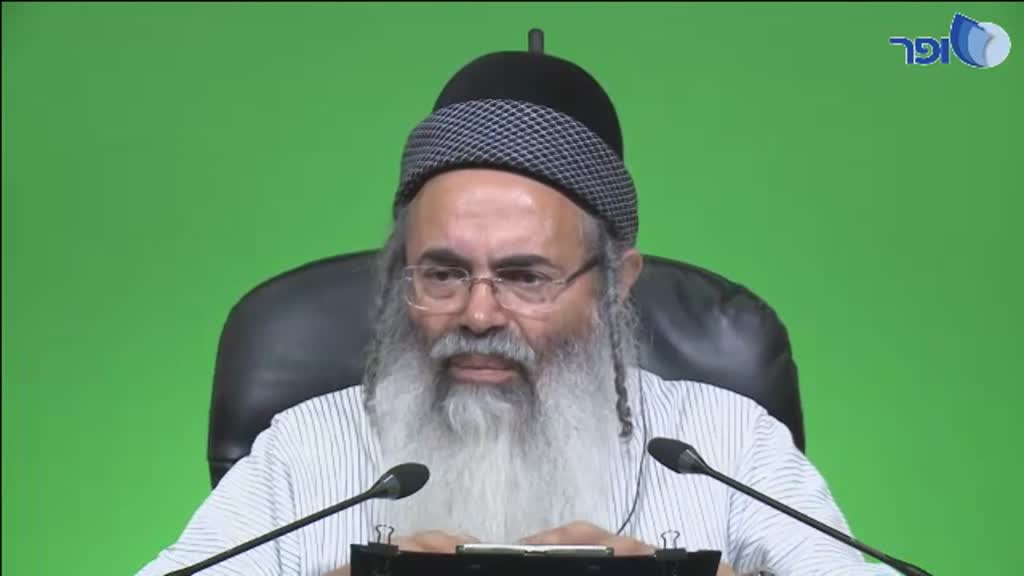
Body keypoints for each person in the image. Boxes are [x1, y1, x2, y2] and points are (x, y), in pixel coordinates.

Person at [136, 34, 897, 576]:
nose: (477, 315)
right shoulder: (307, 452)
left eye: (525, 277)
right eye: (442, 273)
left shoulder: (726, 447)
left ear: (616, 282)